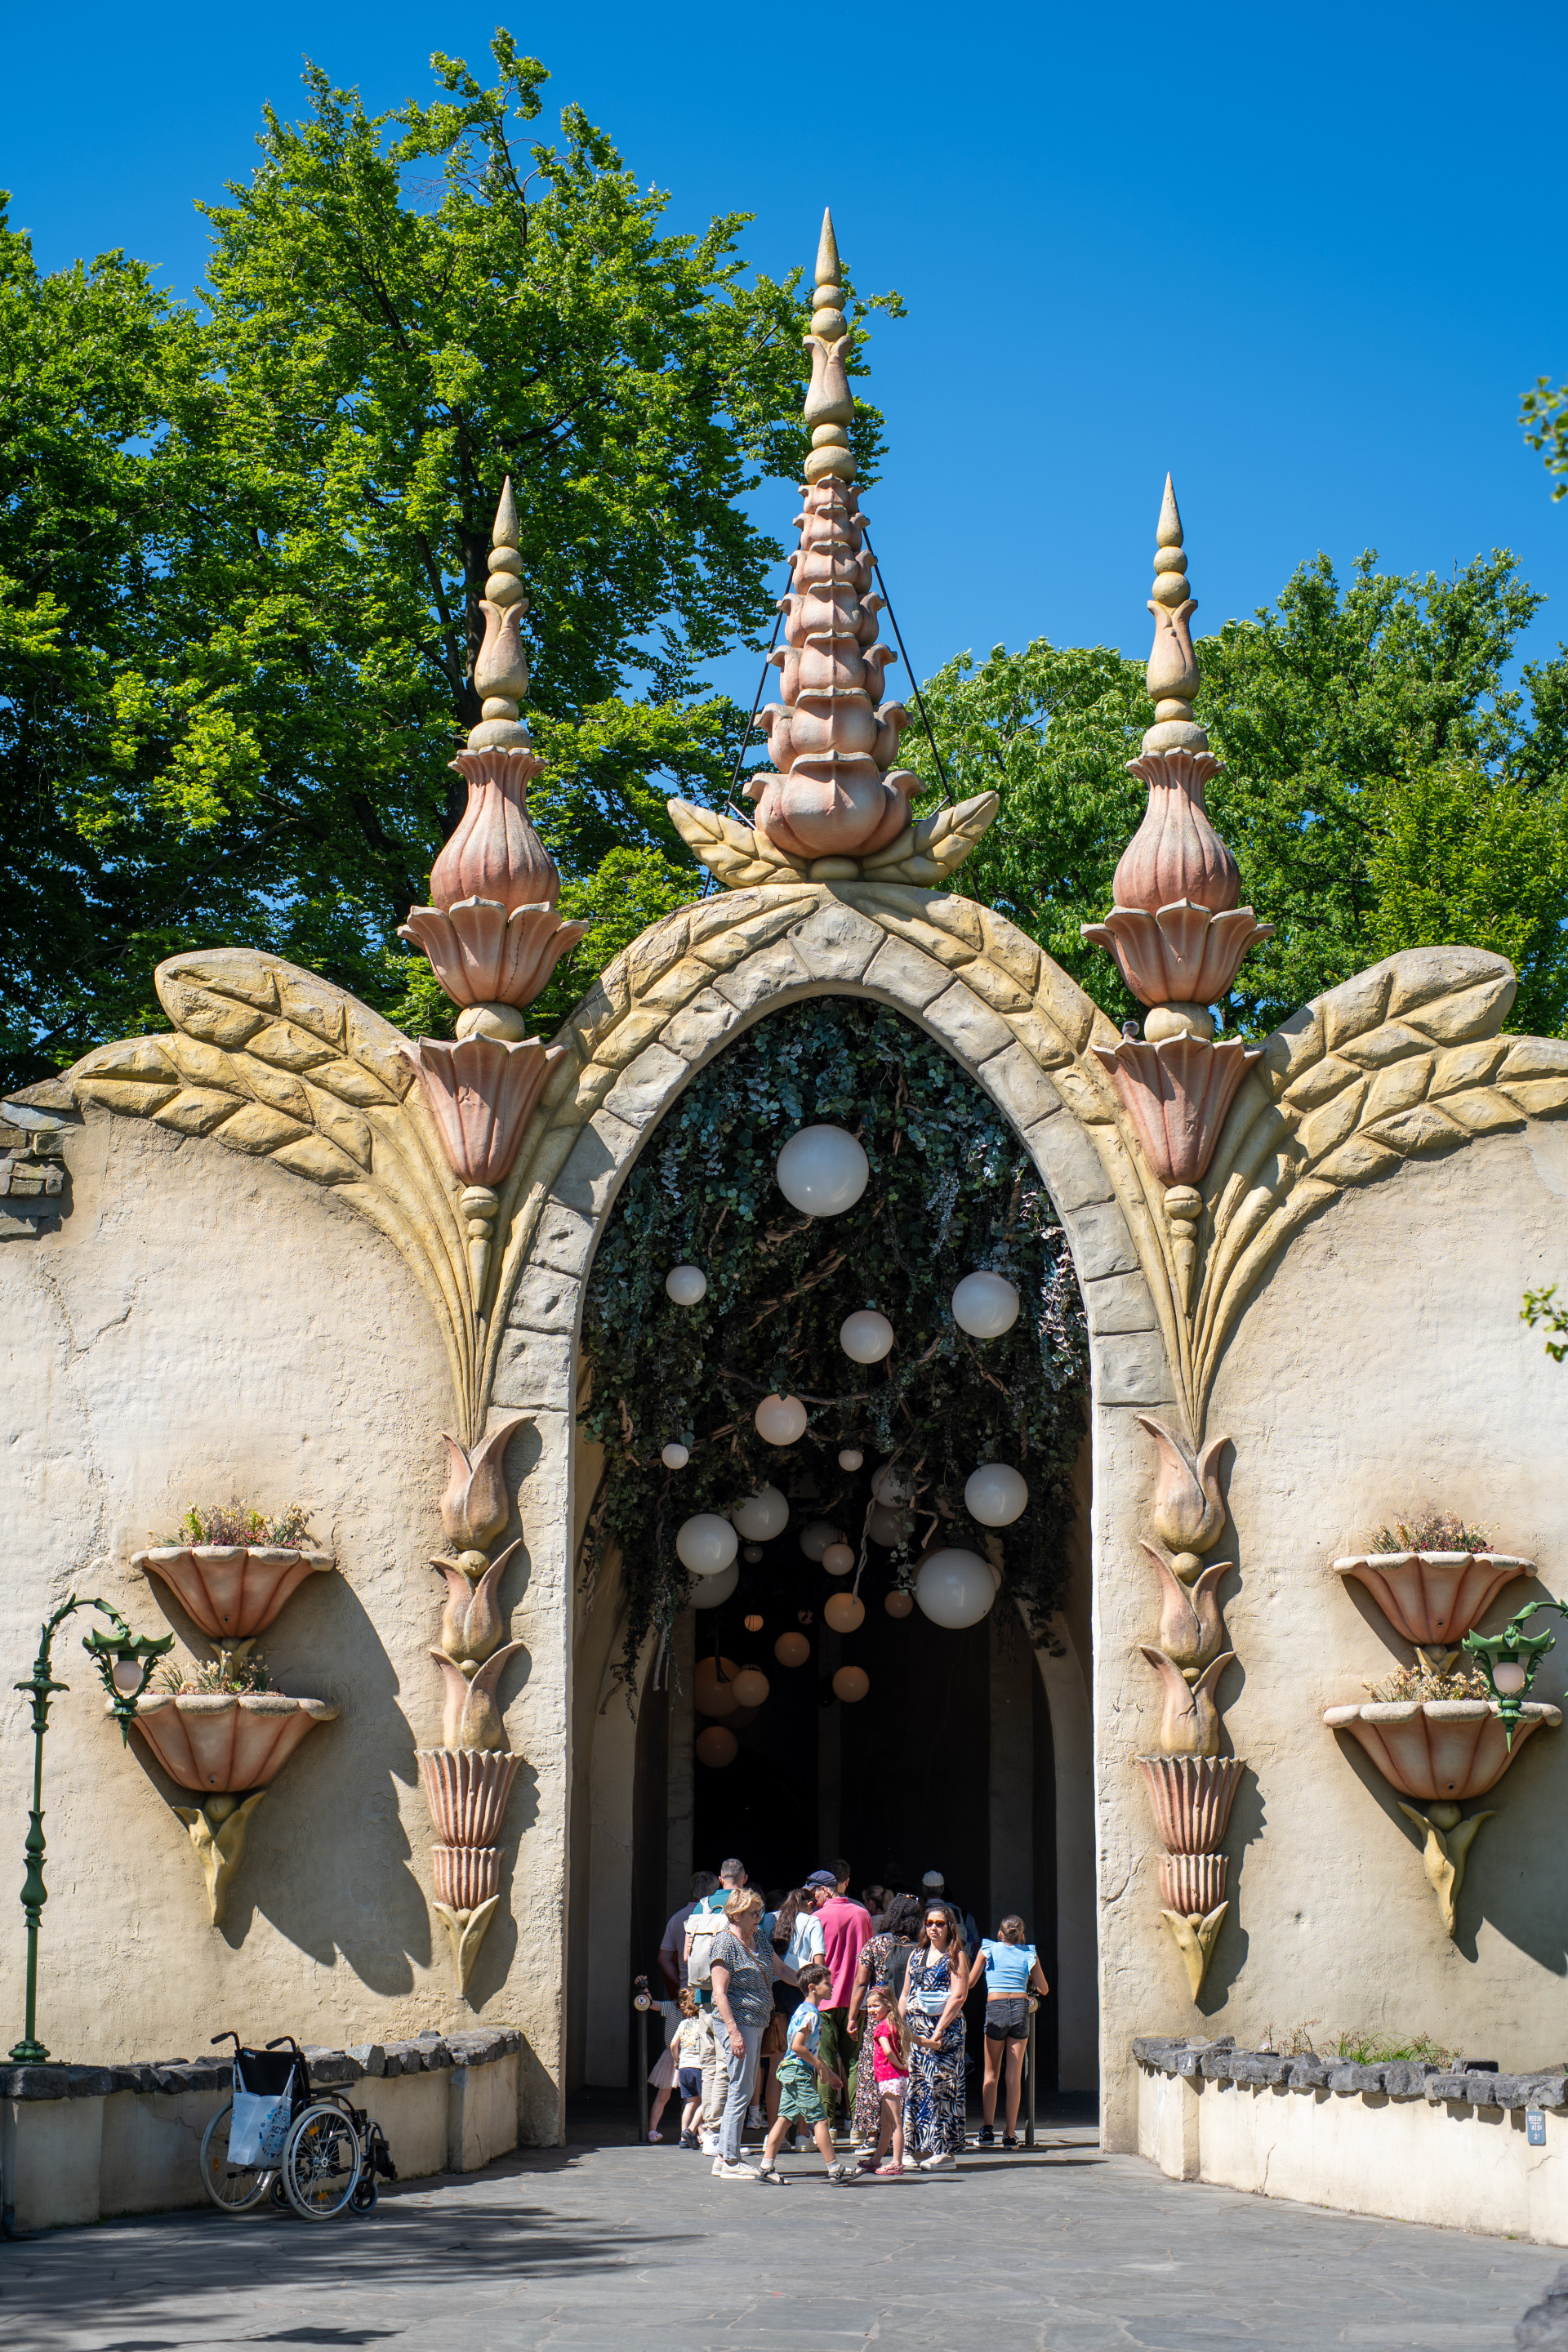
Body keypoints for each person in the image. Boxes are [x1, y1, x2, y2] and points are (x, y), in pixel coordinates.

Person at [757, 1964, 851, 2185]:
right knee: (819, 2119)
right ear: (813, 1988)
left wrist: (826, 2070)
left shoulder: (802, 2010)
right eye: (827, 1983)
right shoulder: (811, 2014)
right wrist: (821, 2067)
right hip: (798, 2071)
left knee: (784, 2119)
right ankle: (834, 2168)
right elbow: (799, 2046)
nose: (831, 1986)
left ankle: (766, 2165)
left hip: (792, 2070)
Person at [706, 1887, 776, 2180]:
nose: (759, 1917)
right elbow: (719, 1994)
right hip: (739, 2022)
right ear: (736, 1915)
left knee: (743, 2087)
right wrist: (734, 2033)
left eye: (760, 1911)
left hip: (756, 2023)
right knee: (740, 2088)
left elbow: (780, 1969)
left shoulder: (758, 1939)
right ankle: (730, 2160)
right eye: (753, 1913)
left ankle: (724, 2156)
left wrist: (808, 1982)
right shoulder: (724, 1943)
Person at [844, 1893, 921, 2149]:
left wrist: (853, 2016)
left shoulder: (876, 1945)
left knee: (873, 2074)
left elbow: (860, 1982)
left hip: (881, 2021)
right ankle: (909, 2134)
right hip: (912, 2020)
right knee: (908, 2074)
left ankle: (871, 2135)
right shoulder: (921, 1948)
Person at [898, 1897, 970, 2170]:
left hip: (944, 2033)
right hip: (917, 2032)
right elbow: (905, 1993)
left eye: (940, 1924)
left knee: (943, 2087)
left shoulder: (956, 1956)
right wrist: (902, 2026)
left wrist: (938, 2032)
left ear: (950, 1927)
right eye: (929, 1923)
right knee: (917, 2087)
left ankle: (945, 2151)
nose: (934, 1929)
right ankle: (914, 2146)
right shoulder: (916, 1955)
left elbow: (959, 1995)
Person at [686, 1857, 748, 2153]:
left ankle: (708, 2134)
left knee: (709, 2067)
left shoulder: (704, 1904)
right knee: (726, 2067)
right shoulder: (741, 1905)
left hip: (703, 1998)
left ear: (721, 1879)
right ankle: (719, 2134)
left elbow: (689, 1954)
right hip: (728, 1999)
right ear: (744, 1879)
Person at [972, 1915, 1049, 2147]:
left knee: (990, 2074)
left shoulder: (988, 1949)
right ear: (1022, 1935)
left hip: (995, 2007)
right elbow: (1044, 1989)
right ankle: (1009, 2134)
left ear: (1000, 1933)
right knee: (1013, 2075)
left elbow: (971, 1982)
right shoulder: (1029, 1954)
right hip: (1019, 2008)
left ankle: (987, 2130)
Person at [805, 1867, 872, 2134]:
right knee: (855, 2063)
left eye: (814, 1890)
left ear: (825, 1890)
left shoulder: (816, 1918)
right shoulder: (863, 1914)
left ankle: (828, 2126)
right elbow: (869, 1961)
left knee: (825, 2062)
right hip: (857, 2000)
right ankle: (859, 2126)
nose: (812, 1896)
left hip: (824, 2001)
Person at [862, 1982, 910, 2176]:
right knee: (887, 2123)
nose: (872, 2010)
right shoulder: (895, 2024)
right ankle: (876, 2159)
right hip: (892, 2080)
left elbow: (888, 2051)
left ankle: (897, 2162)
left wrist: (899, 2064)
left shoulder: (881, 2028)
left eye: (876, 2006)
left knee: (895, 2123)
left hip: (889, 2078)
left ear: (888, 2005)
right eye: (870, 2006)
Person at [658, 1870, 718, 1997]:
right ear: (715, 1891)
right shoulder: (718, 1917)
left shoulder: (676, 1918)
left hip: (687, 1989)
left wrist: (681, 1981)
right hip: (713, 1989)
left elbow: (664, 1959)